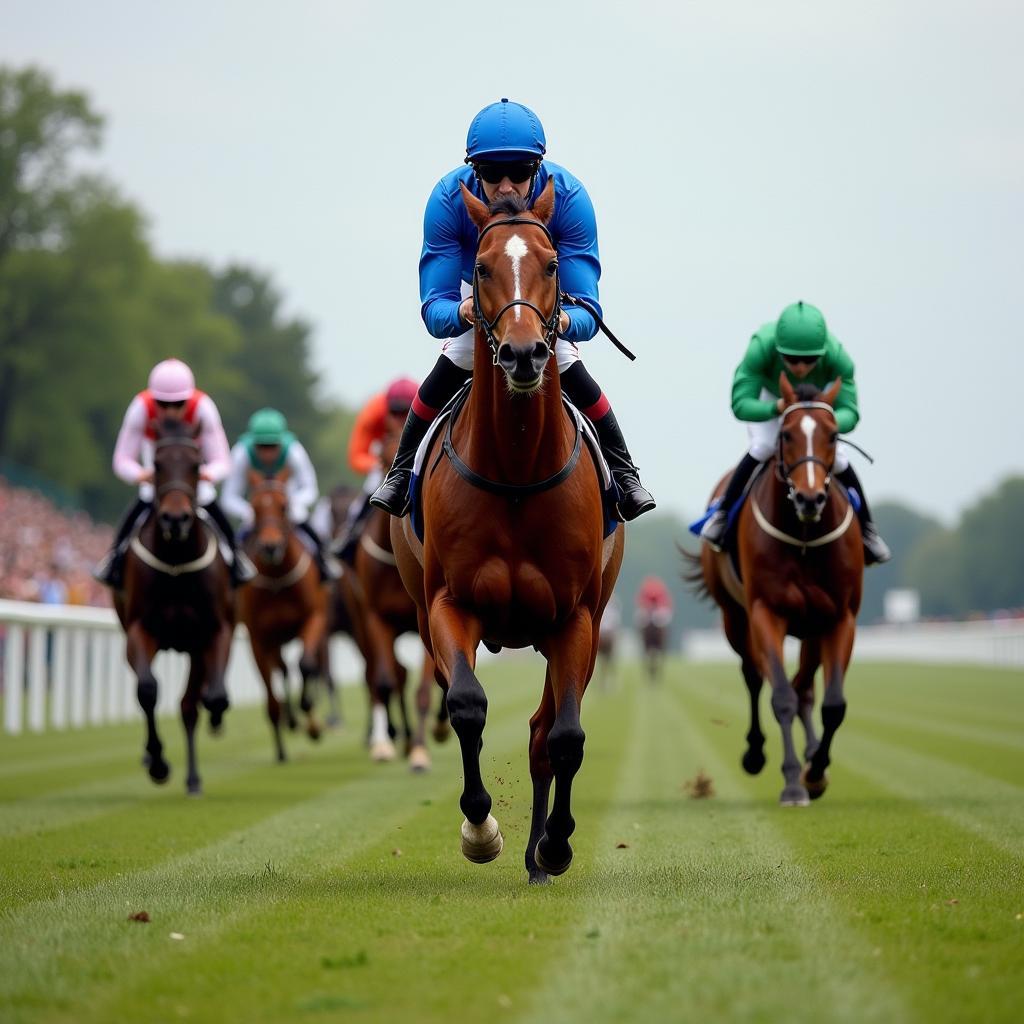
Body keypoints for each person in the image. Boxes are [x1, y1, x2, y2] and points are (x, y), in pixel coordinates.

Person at [370, 98, 655, 522]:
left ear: (538, 167)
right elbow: (434, 309)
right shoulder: (448, 200)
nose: (505, 186)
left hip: (541, 297)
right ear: (473, 169)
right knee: (456, 358)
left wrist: (560, 320)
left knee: (565, 360)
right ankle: (399, 472)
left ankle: (624, 472)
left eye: (519, 172)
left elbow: (588, 311)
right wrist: (465, 312)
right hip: (482, 290)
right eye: (490, 173)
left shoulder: (570, 198)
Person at [700, 301, 891, 564]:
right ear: (778, 351)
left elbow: (851, 412)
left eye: (810, 360)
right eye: (791, 359)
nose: (800, 367)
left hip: (818, 406)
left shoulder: (838, 358)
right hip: (774, 399)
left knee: (839, 460)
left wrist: (824, 421)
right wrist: (778, 407)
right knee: (764, 446)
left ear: (823, 353)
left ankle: (868, 530)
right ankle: (722, 514)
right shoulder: (760, 349)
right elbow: (741, 404)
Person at [93, 358, 255, 588]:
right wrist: (141, 475)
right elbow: (121, 460)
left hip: (192, 480)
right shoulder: (140, 407)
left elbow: (222, 461)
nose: (170, 411)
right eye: (163, 404)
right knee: (136, 513)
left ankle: (236, 560)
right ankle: (114, 560)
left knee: (217, 514)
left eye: (178, 404)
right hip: (158, 478)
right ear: (152, 398)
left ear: (188, 399)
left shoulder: (203, 408)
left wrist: (206, 474)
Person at [220, 408, 339, 581]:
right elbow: (228, 497)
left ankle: (324, 563)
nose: (267, 453)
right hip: (257, 507)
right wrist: (249, 511)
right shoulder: (240, 453)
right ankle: (234, 572)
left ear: (281, 443)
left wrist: (292, 504)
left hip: (287, 502)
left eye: (272, 446)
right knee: (233, 545)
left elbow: (310, 488)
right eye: (262, 446)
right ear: (253, 444)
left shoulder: (294, 451)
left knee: (311, 536)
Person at [332, 377, 418, 562]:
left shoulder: (431, 405)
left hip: (418, 457)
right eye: (396, 412)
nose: (402, 420)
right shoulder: (373, 412)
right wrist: (378, 465)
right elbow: (356, 456)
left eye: (408, 412)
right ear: (386, 410)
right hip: (383, 460)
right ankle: (349, 537)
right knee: (366, 495)